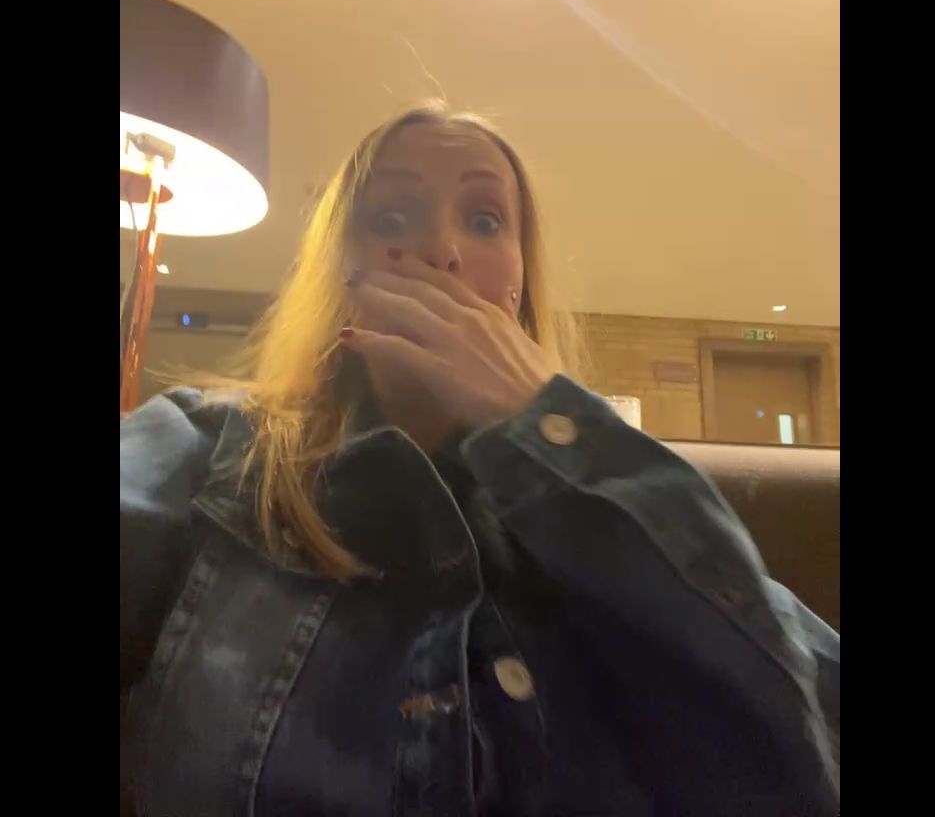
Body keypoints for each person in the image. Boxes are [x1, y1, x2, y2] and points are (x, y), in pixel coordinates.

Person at [120, 102, 840, 816]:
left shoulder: (626, 500)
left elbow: (801, 752)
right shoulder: (205, 448)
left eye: (486, 221)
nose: (442, 251)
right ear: (340, 271)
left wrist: (548, 420)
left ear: (520, 285)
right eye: (390, 219)